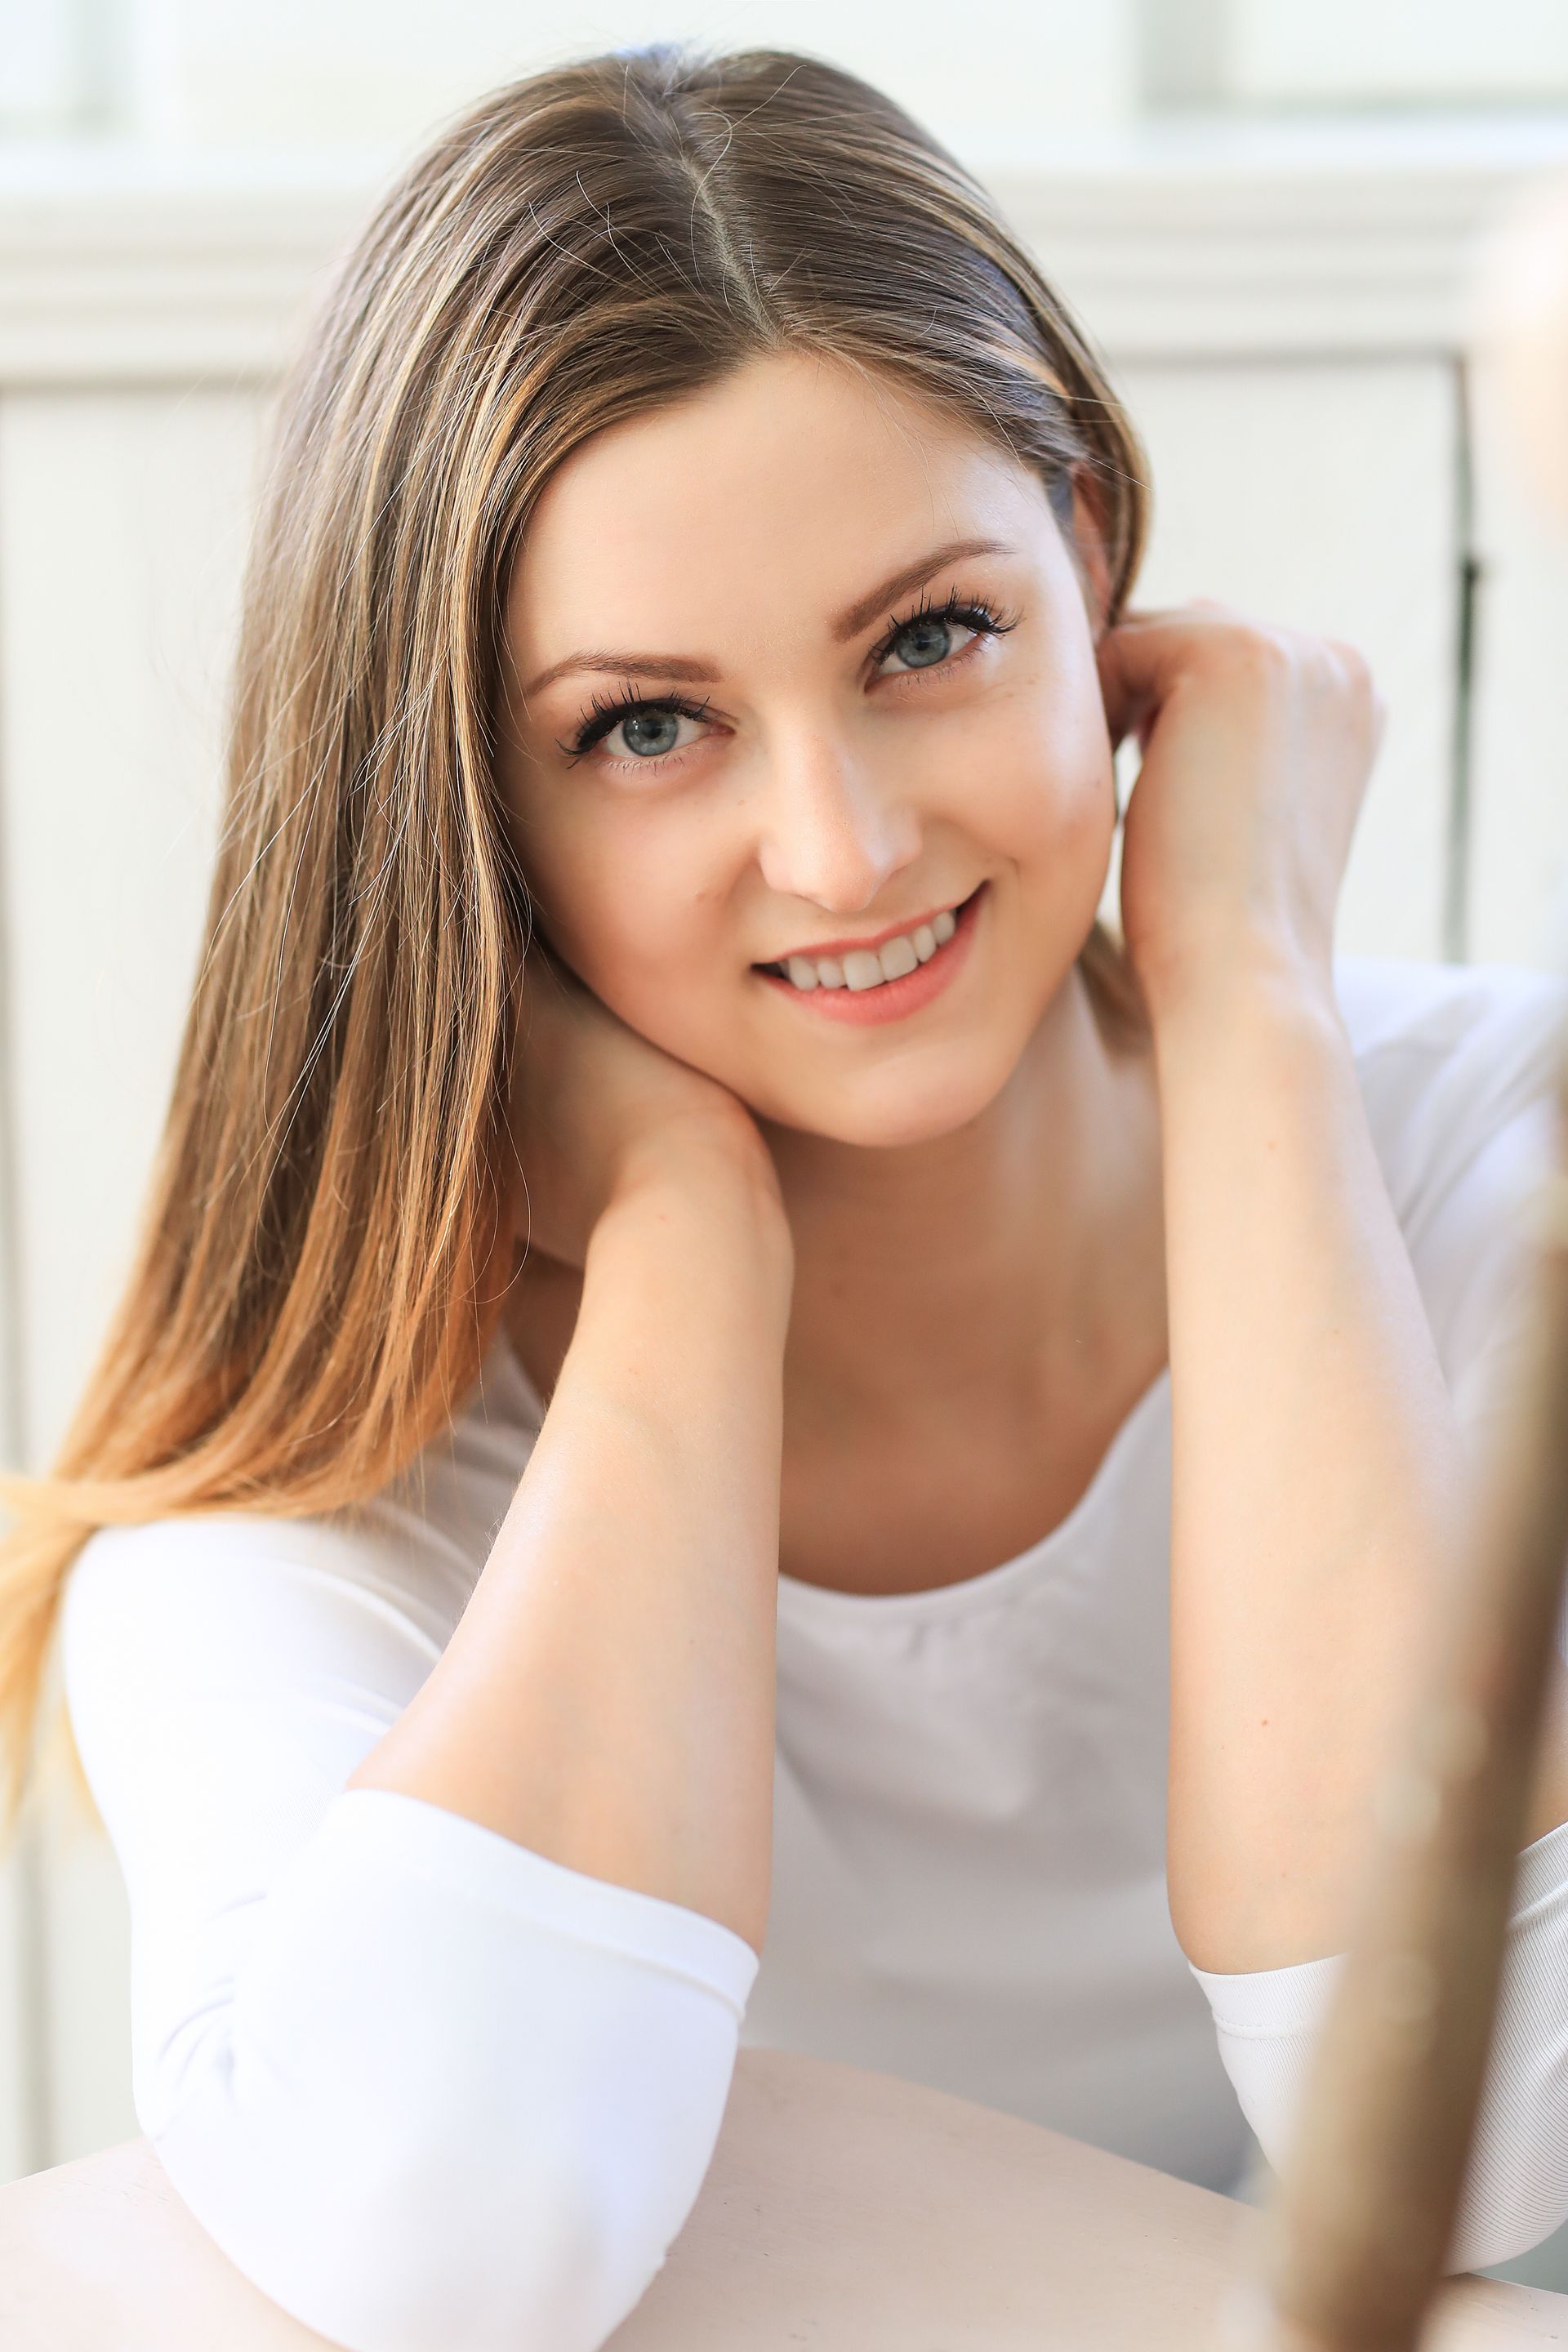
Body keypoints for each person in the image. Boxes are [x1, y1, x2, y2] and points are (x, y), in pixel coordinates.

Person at [2, 43, 1567, 2352]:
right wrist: (683, 1248)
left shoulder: (1487, 1173)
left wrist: (1251, 999)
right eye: (649, 726)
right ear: (464, 808)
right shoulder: (309, 1505)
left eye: (931, 639)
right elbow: (446, 2250)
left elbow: (1478, 2119)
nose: (843, 848)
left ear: (1090, 561)